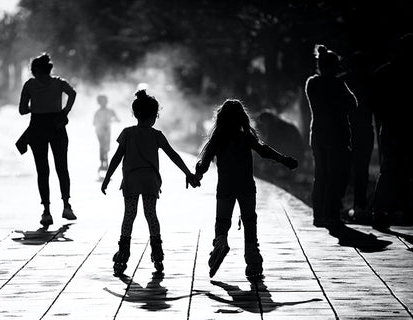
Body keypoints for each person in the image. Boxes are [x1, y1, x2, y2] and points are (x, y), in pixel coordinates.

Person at [194, 99, 298, 279]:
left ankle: (220, 242)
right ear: (242, 118)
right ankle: (253, 262)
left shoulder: (217, 139)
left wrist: (197, 175)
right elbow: (264, 151)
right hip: (246, 186)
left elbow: (204, 163)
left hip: (225, 187)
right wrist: (284, 160)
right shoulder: (246, 137)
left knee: (222, 220)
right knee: (249, 221)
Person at [101, 90, 200, 276]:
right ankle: (157, 253)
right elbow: (173, 155)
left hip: (131, 180)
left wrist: (107, 178)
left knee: (129, 216)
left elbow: (116, 157)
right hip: (150, 181)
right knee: (151, 215)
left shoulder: (127, 133)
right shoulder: (156, 135)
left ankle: (123, 254)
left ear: (135, 114)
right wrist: (188, 173)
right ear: (155, 116)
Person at [18, 53, 77, 227]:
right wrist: (65, 111)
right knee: (62, 168)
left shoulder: (29, 85)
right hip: (57, 126)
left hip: (37, 128)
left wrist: (35, 107)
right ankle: (67, 206)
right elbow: (72, 93)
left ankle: (46, 211)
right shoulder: (59, 83)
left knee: (42, 170)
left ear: (36, 70)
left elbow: (22, 110)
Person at [305, 45, 357, 228]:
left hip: (318, 135)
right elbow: (353, 104)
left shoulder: (312, 83)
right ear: (332, 66)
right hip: (336, 136)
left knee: (320, 175)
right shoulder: (338, 84)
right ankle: (332, 214)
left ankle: (319, 215)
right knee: (335, 176)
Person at [370, 34, 413, 230]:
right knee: (393, 171)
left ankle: (382, 212)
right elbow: (378, 104)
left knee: (389, 172)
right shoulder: (391, 73)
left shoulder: (383, 72)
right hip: (395, 128)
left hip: (390, 128)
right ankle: (387, 212)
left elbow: (375, 104)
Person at [343, 52, 375, 220]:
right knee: (361, 171)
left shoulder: (343, 80)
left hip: (345, 131)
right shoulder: (371, 82)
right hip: (363, 131)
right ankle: (359, 206)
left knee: (343, 169)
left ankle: (339, 205)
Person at [93, 94, 119, 171]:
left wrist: (112, 120)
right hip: (100, 131)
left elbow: (117, 119)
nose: (103, 103)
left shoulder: (110, 111)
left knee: (105, 146)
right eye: (102, 101)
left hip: (106, 131)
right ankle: (103, 163)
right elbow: (94, 122)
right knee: (102, 146)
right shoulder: (98, 112)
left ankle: (105, 162)